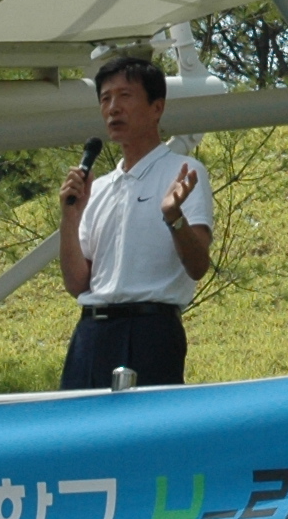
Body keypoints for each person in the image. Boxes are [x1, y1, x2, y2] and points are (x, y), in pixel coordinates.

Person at [58, 54, 212, 390]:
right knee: (78, 422)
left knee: (145, 423)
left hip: (149, 330)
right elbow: (77, 283)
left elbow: (199, 265)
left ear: (157, 107)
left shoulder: (184, 172)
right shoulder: (98, 188)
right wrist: (69, 218)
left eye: (125, 96)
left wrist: (174, 217)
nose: (113, 108)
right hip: (91, 333)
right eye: (105, 99)